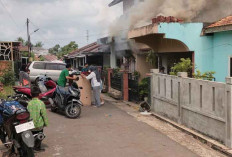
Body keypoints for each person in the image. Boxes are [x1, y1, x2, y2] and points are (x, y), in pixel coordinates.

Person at [27, 86, 48, 151]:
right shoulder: (41, 103)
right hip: (39, 126)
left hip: (31, 126)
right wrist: (46, 123)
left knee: (32, 135)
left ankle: (32, 147)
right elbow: (44, 115)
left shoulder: (29, 103)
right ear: (39, 94)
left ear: (30, 94)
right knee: (40, 135)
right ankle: (37, 147)